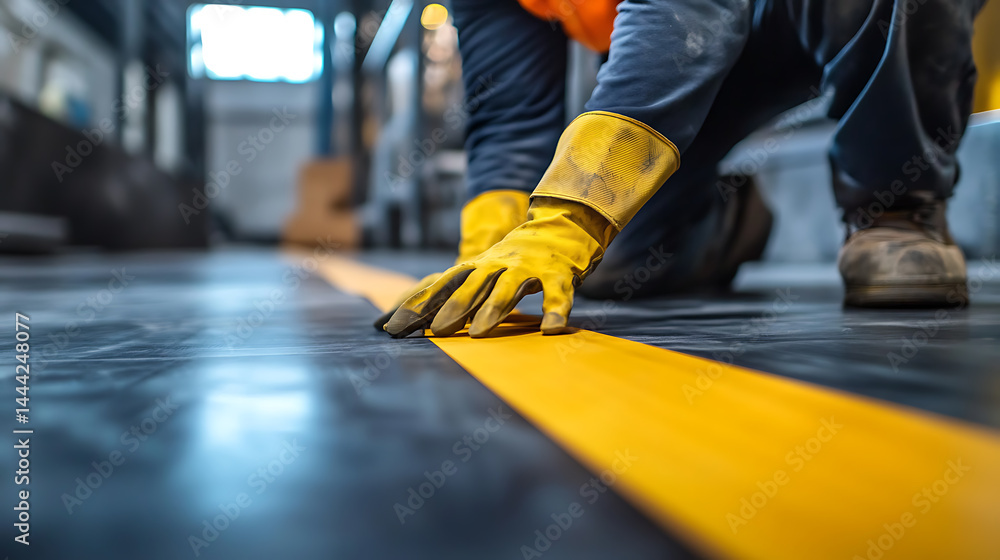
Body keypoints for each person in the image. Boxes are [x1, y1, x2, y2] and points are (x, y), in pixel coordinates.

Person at [377, 0, 988, 339]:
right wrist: (493, 246)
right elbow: (510, 111)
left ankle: (899, 212)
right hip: (684, 46)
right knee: (616, 264)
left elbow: (685, 10)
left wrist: (571, 214)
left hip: (805, 13)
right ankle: (725, 224)